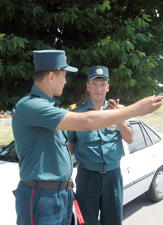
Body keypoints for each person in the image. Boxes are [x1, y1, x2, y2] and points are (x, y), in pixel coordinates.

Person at [12, 49, 163, 225]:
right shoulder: (32, 106)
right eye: (64, 75)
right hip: (44, 195)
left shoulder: (49, 106)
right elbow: (86, 122)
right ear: (52, 76)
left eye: (103, 84)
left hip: (64, 192)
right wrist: (136, 109)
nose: (66, 80)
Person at [67, 65, 133, 225]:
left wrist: (117, 117)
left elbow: (130, 138)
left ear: (108, 87)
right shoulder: (76, 113)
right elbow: (69, 146)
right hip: (87, 176)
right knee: (86, 221)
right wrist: (67, 173)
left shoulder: (117, 111)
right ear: (88, 86)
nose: (99, 89)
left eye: (103, 84)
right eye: (95, 84)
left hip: (113, 175)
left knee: (113, 221)